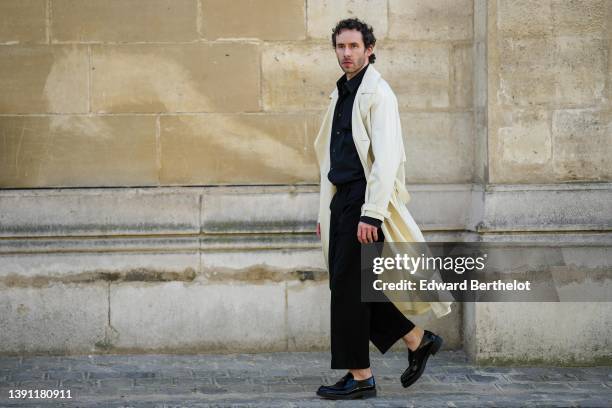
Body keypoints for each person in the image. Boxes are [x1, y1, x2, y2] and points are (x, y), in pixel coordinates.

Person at [313, 18, 446, 400]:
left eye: (354, 46)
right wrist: (327, 212)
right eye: (340, 46)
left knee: (349, 290)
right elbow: (333, 160)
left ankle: (361, 376)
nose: (346, 53)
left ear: (369, 49)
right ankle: (416, 339)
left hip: (364, 202)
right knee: (354, 288)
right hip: (343, 202)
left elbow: (386, 160)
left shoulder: (378, 94)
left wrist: (371, 213)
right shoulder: (342, 92)